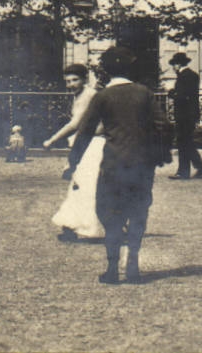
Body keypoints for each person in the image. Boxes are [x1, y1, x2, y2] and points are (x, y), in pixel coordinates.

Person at [66, 46, 163, 285]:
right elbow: (163, 125)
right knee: (139, 212)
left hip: (113, 164)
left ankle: (111, 269)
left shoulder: (103, 96)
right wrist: (156, 155)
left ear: (107, 71)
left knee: (109, 213)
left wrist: (73, 161)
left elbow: (85, 131)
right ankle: (133, 265)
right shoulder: (145, 93)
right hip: (141, 165)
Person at [44, 63, 105, 241]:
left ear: (85, 79)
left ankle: (89, 228)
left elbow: (76, 124)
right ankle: (73, 225)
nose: (70, 84)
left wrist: (52, 139)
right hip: (85, 143)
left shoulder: (88, 95)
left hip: (93, 144)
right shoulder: (79, 96)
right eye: (68, 81)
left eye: (75, 80)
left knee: (87, 185)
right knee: (79, 184)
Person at [167, 52, 202, 180]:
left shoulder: (184, 76)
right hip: (190, 114)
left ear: (178, 64)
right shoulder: (192, 75)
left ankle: (183, 172)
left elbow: (182, 96)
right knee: (186, 141)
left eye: (174, 65)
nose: (173, 67)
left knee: (183, 142)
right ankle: (199, 166)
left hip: (184, 114)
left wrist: (172, 93)